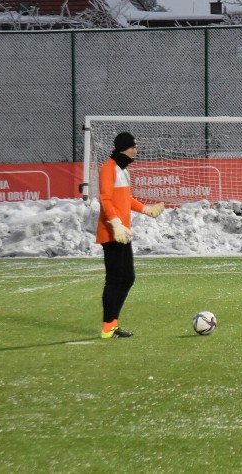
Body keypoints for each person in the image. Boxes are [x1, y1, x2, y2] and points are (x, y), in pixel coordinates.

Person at [95, 132, 165, 339]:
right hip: (112, 232)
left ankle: (112, 324)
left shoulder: (122, 171)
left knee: (128, 278)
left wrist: (146, 210)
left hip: (123, 232)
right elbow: (105, 200)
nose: (136, 150)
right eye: (133, 146)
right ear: (124, 147)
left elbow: (127, 198)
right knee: (115, 279)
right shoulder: (108, 168)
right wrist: (116, 225)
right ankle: (108, 326)